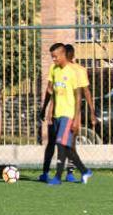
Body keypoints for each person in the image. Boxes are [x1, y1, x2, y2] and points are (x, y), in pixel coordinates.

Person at [39, 43, 94, 185]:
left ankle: (57, 177)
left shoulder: (73, 72)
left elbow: (79, 96)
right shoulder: (54, 69)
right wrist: (46, 109)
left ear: (63, 55)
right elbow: (51, 91)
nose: (54, 59)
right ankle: (84, 171)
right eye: (52, 57)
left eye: (56, 57)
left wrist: (76, 118)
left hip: (68, 114)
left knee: (60, 143)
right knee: (65, 145)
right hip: (57, 114)